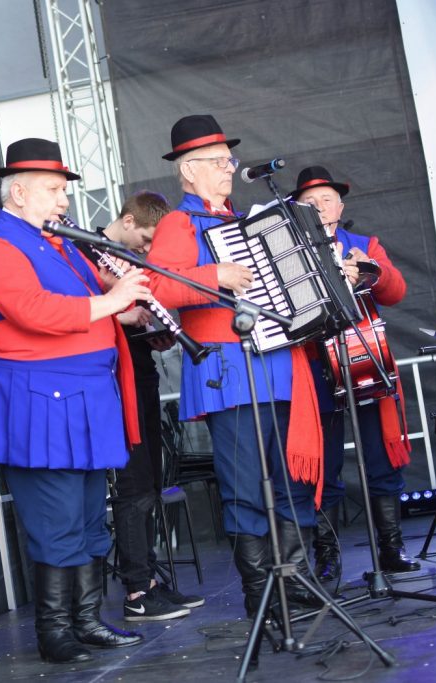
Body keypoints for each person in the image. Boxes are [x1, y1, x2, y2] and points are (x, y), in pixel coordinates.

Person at [0, 138, 149, 663]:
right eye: (53, 190)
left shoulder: (62, 246)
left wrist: (134, 309)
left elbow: (102, 306)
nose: (64, 201)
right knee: (56, 520)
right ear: (18, 192)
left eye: (63, 191)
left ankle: (87, 620)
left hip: (84, 397)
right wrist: (112, 301)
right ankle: (55, 631)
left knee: (91, 515)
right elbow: (33, 311)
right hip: (39, 399)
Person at [144, 114, 325, 616]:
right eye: (219, 162)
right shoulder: (180, 223)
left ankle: (296, 580)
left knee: (292, 479)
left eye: (230, 160)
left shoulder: (246, 222)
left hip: (278, 367)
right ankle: (260, 590)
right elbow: (158, 288)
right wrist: (214, 273)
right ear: (188, 172)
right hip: (230, 374)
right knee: (246, 486)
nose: (230, 169)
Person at [73, 192, 203, 621]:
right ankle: (136, 591)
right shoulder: (81, 248)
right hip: (111, 379)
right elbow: (78, 315)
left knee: (148, 481)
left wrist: (156, 332)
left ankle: (146, 579)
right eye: (145, 238)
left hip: (139, 368)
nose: (147, 249)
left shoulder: (122, 255)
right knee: (133, 484)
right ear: (127, 221)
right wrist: (118, 316)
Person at [290, 165, 420, 582]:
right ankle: (327, 555)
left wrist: (368, 271)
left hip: (365, 358)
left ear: (340, 206)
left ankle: (391, 547)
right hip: (316, 366)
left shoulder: (363, 244)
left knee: (380, 457)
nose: (319, 206)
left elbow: (396, 292)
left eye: (326, 199)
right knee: (324, 463)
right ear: (296, 210)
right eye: (309, 202)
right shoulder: (288, 252)